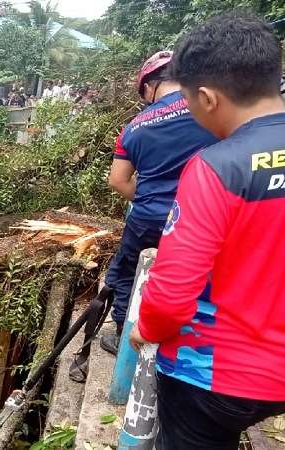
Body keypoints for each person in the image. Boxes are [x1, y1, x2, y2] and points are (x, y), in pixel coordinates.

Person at [128, 14, 285, 450]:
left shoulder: (218, 167)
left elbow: (173, 291)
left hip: (216, 376)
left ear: (208, 98)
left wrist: (149, 327)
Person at [99, 50, 218, 356]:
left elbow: (118, 180)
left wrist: (150, 197)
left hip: (147, 220)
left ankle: (126, 338)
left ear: (149, 86)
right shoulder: (210, 108)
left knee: (125, 275)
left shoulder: (133, 128)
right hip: (204, 217)